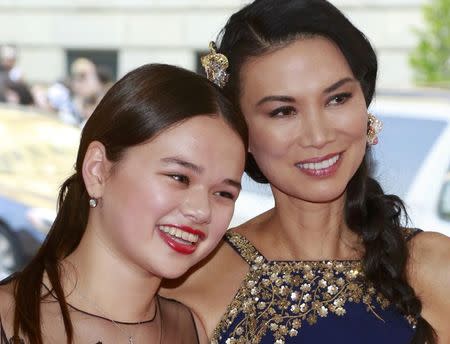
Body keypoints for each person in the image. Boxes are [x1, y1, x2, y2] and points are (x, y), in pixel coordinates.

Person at [161, 1, 450, 343]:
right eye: (283, 111)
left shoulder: (434, 265)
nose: (318, 136)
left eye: (337, 99)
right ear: (240, 131)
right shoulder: (193, 279)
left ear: (365, 103)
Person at [0, 63, 247, 343]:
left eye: (224, 193)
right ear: (98, 170)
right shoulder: (8, 317)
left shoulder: (193, 331)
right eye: (179, 177)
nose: (202, 211)